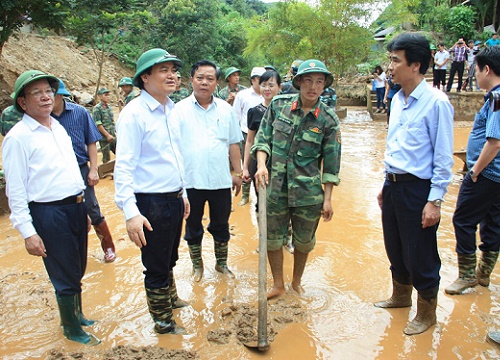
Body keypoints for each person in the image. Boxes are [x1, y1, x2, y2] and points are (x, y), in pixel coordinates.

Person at [2, 70, 100, 345]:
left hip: (75, 208)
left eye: (48, 91)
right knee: (64, 271)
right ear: (22, 102)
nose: (46, 97)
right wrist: (27, 232)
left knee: (77, 266)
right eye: (37, 93)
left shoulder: (56, 127)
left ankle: (77, 315)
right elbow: (16, 190)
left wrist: (83, 207)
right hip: (49, 213)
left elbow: (69, 170)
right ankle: (71, 329)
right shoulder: (18, 138)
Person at [373, 33, 454, 336]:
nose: (390, 67)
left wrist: (434, 200)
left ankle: (426, 313)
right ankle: (401, 297)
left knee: (420, 251)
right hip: (394, 185)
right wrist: (385, 182)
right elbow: (395, 147)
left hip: (419, 190)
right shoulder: (396, 100)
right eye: (390, 59)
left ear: (415, 65)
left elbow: (444, 157)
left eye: (396, 60)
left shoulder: (436, 103)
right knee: (394, 244)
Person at [114, 48, 190, 335]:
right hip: (150, 202)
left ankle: (170, 300)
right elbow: (123, 168)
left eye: (174, 69)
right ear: (145, 77)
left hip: (172, 198)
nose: (172, 75)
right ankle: (163, 322)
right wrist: (131, 213)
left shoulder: (171, 108)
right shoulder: (134, 114)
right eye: (163, 70)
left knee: (169, 256)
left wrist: (182, 194)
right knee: (156, 265)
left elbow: (174, 156)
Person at [252, 59, 341, 300]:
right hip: (275, 188)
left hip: (308, 193)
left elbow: (332, 165)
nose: (313, 86)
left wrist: (328, 199)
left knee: (303, 242)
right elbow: (262, 139)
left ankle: (296, 282)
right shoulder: (279, 106)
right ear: (299, 81)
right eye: (308, 80)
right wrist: (261, 165)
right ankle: (278, 284)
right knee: (271, 239)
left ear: (324, 86)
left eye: (319, 82)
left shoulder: (328, 120)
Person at [171, 59, 243, 282]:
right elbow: (172, 147)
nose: (204, 82)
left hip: (221, 181)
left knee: (221, 225)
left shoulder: (226, 110)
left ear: (216, 83)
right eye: (200, 77)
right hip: (190, 182)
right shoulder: (178, 110)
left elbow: (233, 144)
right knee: (192, 226)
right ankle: (197, 266)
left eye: (210, 79)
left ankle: (221, 264)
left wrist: (238, 173)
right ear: (191, 80)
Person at [445, 46, 500, 296]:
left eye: (476, 71)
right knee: (493, 223)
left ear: (486, 70)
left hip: (487, 174)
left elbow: (495, 141)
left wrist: (475, 171)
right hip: (497, 176)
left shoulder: (497, 98)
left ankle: (467, 275)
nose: (475, 76)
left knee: (463, 220)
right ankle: (483, 275)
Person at [52, 79, 117, 263]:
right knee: (62, 211)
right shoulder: (42, 117)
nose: (47, 99)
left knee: (91, 206)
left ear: (60, 96)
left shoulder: (79, 113)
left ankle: (108, 247)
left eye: (51, 95)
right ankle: (72, 253)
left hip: (80, 168)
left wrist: (94, 170)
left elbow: (91, 142)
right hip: (56, 172)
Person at [243, 70, 282, 209]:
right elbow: (249, 141)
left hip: (281, 162)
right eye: (264, 85)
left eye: (271, 85)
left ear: (280, 87)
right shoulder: (254, 112)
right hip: (258, 162)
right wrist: (246, 167)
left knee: (281, 203)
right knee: (262, 201)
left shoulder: (287, 112)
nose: (267, 89)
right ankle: (262, 229)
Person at [233, 66, 265, 206]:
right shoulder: (243, 95)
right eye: (260, 80)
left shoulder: (271, 95)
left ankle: (262, 198)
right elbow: (236, 117)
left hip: (266, 136)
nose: (264, 83)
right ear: (253, 80)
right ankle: (245, 196)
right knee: (248, 165)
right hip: (247, 135)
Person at [92, 87, 115, 163]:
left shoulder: (109, 108)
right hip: (104, 139)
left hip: (113, 136)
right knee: (106, 158)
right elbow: (98, 124)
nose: (108, 97)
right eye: (106, 95)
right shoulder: (97, 109)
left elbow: (112, 122)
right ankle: (105, 173)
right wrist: (107, 135)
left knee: (120, 153)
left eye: (108, 95)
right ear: (100, 96)